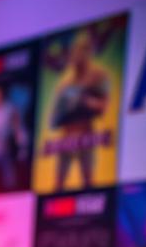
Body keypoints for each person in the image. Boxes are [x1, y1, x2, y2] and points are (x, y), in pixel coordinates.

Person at [47, 32, 110, 191]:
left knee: (88, 184)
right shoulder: (65, 84)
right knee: (58, 186)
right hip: (66, 140)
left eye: (81, 50)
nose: (76, 55)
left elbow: (103, 106)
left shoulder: (98, 76)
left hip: (87, 136)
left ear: (88, 52)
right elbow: (52, 119)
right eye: (74, 51)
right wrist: (63, 110)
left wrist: (85, 101)